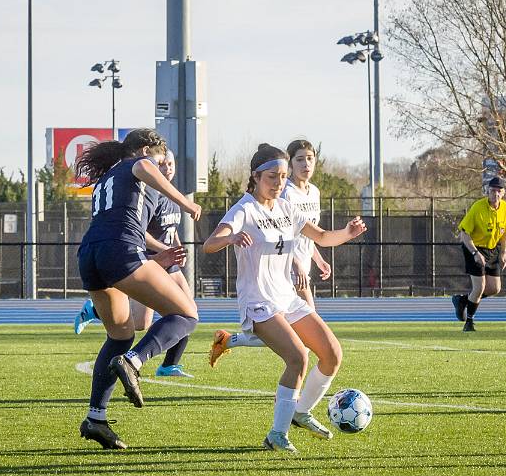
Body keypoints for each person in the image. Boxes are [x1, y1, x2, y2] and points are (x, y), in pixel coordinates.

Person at [203, 143, 366, 453]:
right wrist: (232, 237)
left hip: (287, 298)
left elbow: (321, 237)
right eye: (271, 177)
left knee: (332, 354)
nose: (278, 183)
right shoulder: (244, 209)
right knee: (298, 357)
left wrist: (346, 233)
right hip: (259, 302)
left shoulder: (286, 208)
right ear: (255, 176)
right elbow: (209, 245)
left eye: (281, 176)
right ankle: (276, 435)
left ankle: (301, 412)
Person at [75, 128, 201, 450]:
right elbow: (144, 167)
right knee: (187, 314)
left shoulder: (108, 178)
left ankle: (96, 419)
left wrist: (158, 252)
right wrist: (184, 201)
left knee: (120, 335)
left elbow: (129, 223)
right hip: (119, 251)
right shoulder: (139, 164)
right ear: (146, 150)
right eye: (160, 160)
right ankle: (135, 361)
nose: (160, 166)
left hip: (90, 254)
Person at [209, 139, 332, 366]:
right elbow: (278, 237)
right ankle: (289, 394)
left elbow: (313, 235)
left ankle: (229, 340)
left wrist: (319, 257)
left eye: (310, 158)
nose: (306, 164)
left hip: (294, 273)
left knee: (302, 344)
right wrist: (296, 264)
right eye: (300, 159)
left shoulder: (313, 193)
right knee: (298, 348)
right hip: (282, 277)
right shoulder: (281, 196)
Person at [74, 150, 195, 378]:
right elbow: (140, 230)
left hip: (169, 261)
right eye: (163, 163)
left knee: (186, 310)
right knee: (142, 323)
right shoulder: (149, 191)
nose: (167, 168)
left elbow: (171, 229)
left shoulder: (170, 197)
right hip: (146, 257)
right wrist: (162, 250)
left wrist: (177, 246)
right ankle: (98, 314)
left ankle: (169, 365)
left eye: (171, 163)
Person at [451, 176, 506, 331]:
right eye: (493, 190)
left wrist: (504, 252)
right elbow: (464, 234)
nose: (496, 194)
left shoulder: (505, 208)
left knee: (494, 288)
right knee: (479, 287)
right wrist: (474, 253)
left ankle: (463, 301)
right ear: (487, 191)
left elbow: (505, 231)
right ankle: (469, 322)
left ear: (504, 193)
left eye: (499, 191)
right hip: (474, 247)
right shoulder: (478, 207)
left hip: (492, 249)